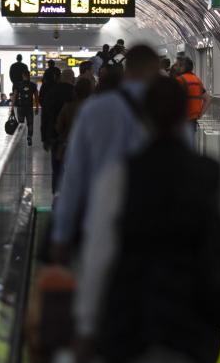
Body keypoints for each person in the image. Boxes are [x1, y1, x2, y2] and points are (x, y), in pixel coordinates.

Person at [74, 76, 220, 363]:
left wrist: (87, 326)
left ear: (142, 117)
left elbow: (98, 257)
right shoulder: (210, 177)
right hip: (196, 315)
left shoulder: (120, 175)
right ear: (184, 114)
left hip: (135, 315)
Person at [50, 45, 161, 263]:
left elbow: (75, 174)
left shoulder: (94, 108)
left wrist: (61, 234)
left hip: (100, 210)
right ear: (156, 69)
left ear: (127, 70)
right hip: (152, 219)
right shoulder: (167, 108)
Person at [53, 77, 93, 195]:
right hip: (89, 149)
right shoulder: (95, 107)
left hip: (70, 147)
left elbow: (59, 127)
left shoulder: (68, 107)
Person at [41, 68, 76, 186]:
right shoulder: (75, 93)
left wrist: (44, 138)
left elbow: (45, 116)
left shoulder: (52, 92)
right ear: (72, 79)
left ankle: (56, 194)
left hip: (54, 136)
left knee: (56, 169)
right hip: (73, 137)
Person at [176, 57, 211, 129]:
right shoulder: (197, 80)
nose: (176, 67)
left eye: (177, 65)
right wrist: (200, 114)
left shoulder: (179, 80)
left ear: (183, 67)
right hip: (193, 120)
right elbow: (208, 99)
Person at [12, 70, 39, 146]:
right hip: (29, 107)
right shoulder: (33, 85)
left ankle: (20, 139)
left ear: (23, 75)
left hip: (20, 107)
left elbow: (14, 96)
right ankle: (29, 137)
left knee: (20, 124)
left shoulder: (18, 84)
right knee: (30, 123)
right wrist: (36, 107)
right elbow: (36, 97)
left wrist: (12, 107)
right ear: (29, 75)